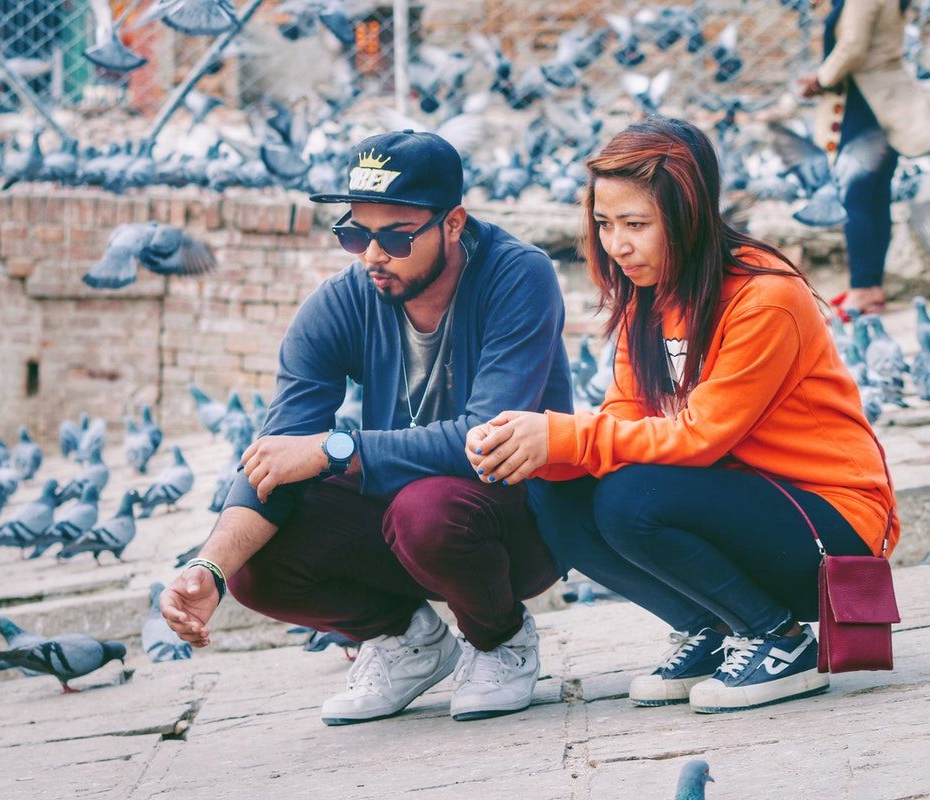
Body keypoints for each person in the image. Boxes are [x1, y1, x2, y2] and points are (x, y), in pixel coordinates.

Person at [465, 117, 900, 714]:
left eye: (636, 225)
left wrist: (563, 433)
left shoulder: (764, 295)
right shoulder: (648, 295)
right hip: (747, 507)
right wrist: (534, 447)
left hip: (833, 530)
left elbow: (700, 438)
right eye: (604, 224)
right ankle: (715, 626)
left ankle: (777, 639)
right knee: (551, 489)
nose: (617, 245)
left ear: (689, 214)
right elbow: (623, 420)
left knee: (632, 498)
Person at [160, 130, 572, 725]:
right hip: (407, 519)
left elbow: (486, 439)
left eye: (395, 236)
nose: (371, 254)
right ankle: (409, 643)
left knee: (426, 510)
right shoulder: (341, 302)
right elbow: (275, 455)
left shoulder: (518, 277)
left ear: (452, 224)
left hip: (520, 519)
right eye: (355, 234)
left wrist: (336, 450)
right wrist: (209, 569)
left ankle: (499, 639)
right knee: (254, 560)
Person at [800, 0, 930, 315]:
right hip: (877, 103)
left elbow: (854, 47)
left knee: (855, 198)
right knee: (874, 198)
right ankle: (870, 288)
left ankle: (862, 289)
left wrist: (820, 80)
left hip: (868, 105)